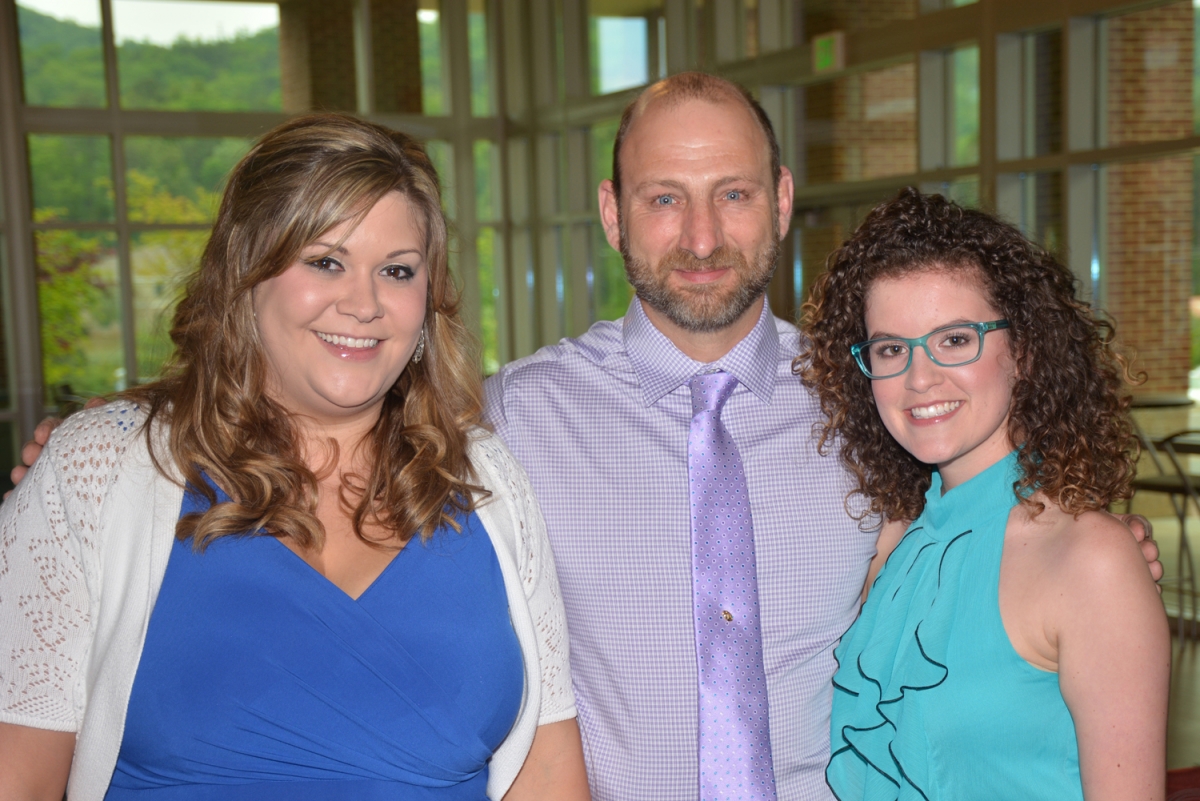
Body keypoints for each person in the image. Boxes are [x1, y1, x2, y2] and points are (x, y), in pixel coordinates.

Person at [10, 76, 1160, 801]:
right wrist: (102, 443)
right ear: (612, 215)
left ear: (782, 199)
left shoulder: (871, 407)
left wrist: (1101, 571)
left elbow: (986, 523)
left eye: (732, 195)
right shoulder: (504, 428)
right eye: (663, 197)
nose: (700, 234)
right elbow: (309, 398)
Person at [0, 114, 589, 801]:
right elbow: (19, 770)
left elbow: (549, 773)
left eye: (396, 270)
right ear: (246, 275)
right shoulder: (103, 468)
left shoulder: (487, 479)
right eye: (325, 261)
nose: (364, 302)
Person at [801, 188, 1170, 800]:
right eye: (891, 349)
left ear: (1022, 349)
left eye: (954, 340)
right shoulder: (893, 544)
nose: (920, 378)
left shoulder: (1091, 559)